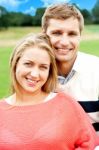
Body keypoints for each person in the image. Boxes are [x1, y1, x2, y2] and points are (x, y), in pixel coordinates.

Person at [0, 33, 98, 149]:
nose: (35, 74)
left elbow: (89, 144)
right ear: (15, 64)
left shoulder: (65, 104)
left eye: (43, 67)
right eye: (28, 64)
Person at [42, 3, 99, 134]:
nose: (64, 42)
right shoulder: (34, 75)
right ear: (44, 34)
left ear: (80, 35)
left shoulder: (97, 70)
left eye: (72, 34)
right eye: (57, 33)